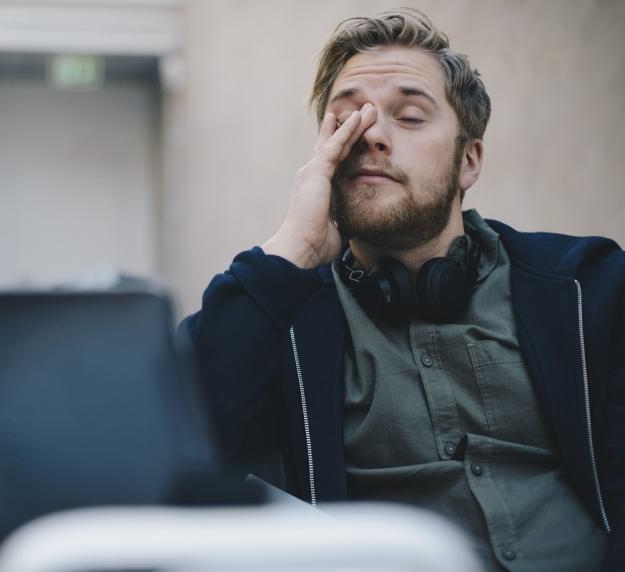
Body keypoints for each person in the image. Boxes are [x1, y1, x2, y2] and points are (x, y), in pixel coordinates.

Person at [180, 8, 624, 572]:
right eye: (347, 121)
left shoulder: (587, 285)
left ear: (469, 160)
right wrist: (292, 244)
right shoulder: (283, 317)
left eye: (410, 116)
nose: (372, 137)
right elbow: (176, 441)